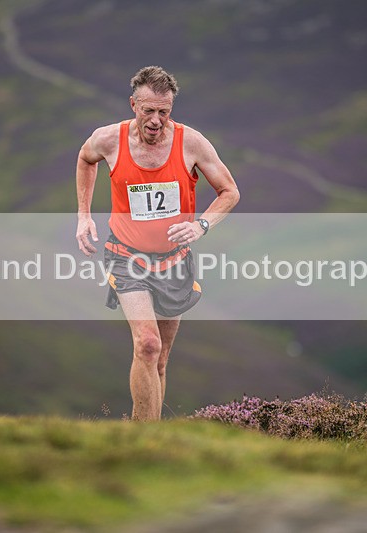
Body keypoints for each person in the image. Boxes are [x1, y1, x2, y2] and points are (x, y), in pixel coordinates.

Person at [75, 66, 240, 421]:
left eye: (163, 112)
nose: (155, 120)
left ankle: (153, 434)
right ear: (133, 104)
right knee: (147, 345)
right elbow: (86, 158)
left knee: (160, 359)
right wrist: (83, 215)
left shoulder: (191, 143)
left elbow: (229, 192)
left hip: (174, 261)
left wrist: (201, 226)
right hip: (126, 258)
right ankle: (142, 437)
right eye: (148, 110)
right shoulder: (110, 139)